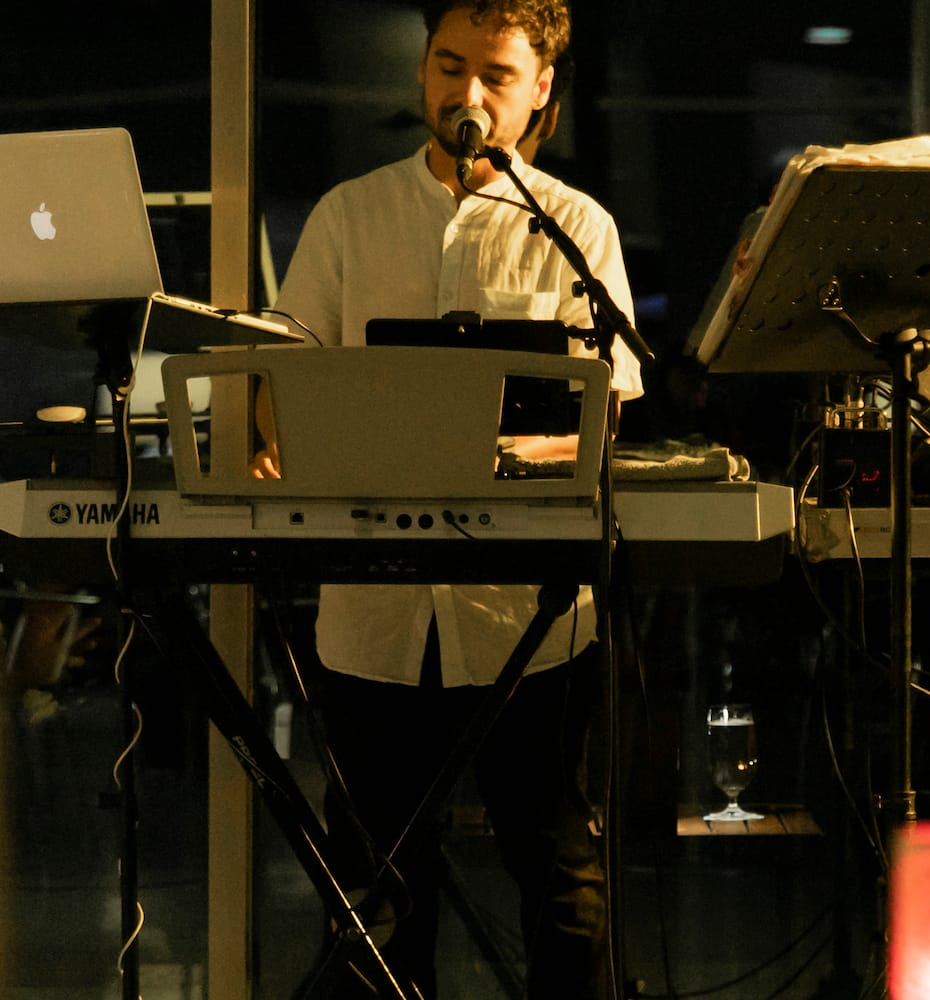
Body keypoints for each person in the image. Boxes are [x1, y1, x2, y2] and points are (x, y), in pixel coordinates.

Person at [272, 1, 641, 997]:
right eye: (447, 65)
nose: (464, 92)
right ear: (421, 72)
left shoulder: (576, 227)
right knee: (375, 883)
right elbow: (287, 373)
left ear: (540, 92)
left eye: (495, 75)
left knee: (559, 872)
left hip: (529, 612)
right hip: (374, 609)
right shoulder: (350, 213)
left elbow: (604, 406)